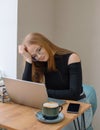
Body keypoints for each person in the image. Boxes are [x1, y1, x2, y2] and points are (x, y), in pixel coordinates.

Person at [18, 32, 93, 129]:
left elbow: (74, 93)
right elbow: (27, 89)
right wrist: (28, 59)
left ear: (45, 43)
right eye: (34, 56)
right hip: (55, 107)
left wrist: (43, 93)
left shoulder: (72, 58)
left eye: (39, 50)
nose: (39, 56)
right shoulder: (40, 62)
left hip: (78, 108)